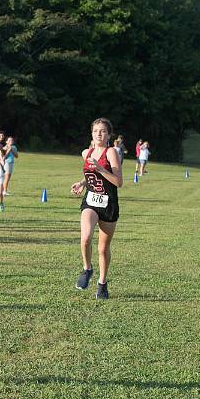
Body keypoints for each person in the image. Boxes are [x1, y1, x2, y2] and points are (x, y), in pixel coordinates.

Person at [71, 118, 123, 300]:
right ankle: (87, 269)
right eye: (95, 131)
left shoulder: (112, 153)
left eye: (102, 131)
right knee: (85, 238)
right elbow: (90, 174)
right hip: (91, 202)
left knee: (103, 248)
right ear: (91, 134)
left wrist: (101, 168)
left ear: (109, 135)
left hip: (109, 205)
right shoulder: (87, 152)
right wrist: (82, 183)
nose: (98, 134)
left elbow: (118, 182)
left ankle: (102, 283)